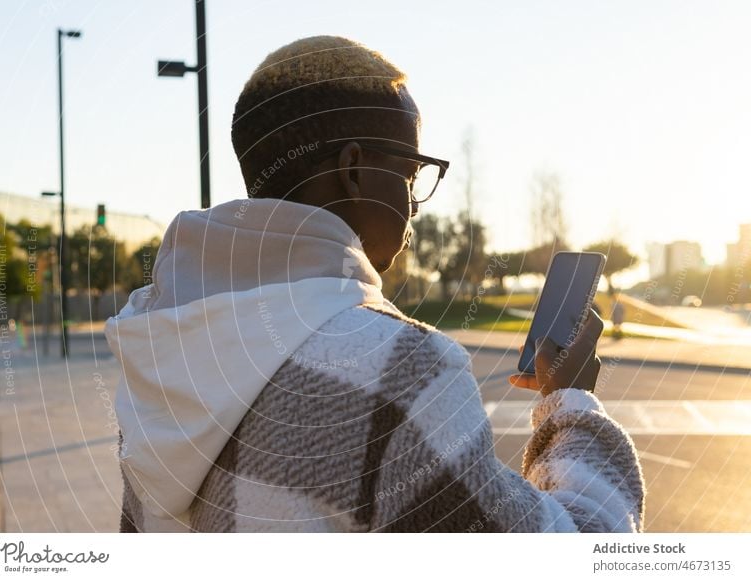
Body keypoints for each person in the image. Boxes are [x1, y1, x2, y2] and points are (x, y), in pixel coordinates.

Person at [107, 35, 644, 532]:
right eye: (412, 172)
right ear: (354, 170)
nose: (414, 203)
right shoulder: (399, 367)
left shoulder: (162, 356)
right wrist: (570, 404)